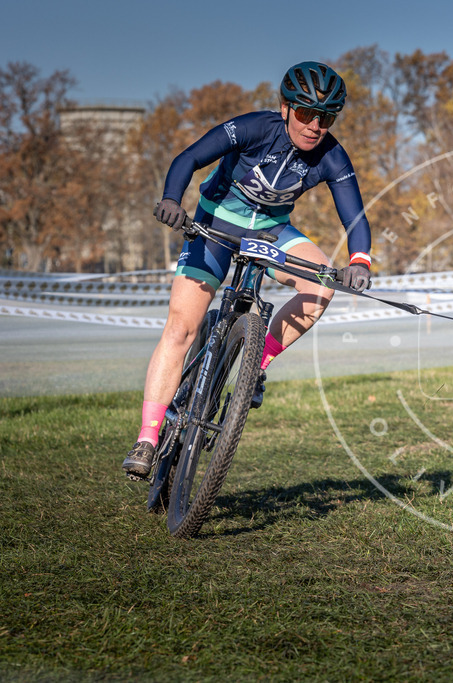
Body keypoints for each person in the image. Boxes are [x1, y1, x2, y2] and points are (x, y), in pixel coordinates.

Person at [123, 61, 372, 477]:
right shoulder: (254, 127)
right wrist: (172, 199)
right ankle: (148, 437)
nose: (315, 125)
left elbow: (355, 218)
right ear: (285, 107)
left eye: (326, 117)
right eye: (307, 113)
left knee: (322, 285)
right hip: (215, 223)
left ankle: (255, 363)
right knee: (182, 328)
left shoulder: (332, 155)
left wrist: (360, 261)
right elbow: (190, 157)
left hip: (271, 232)